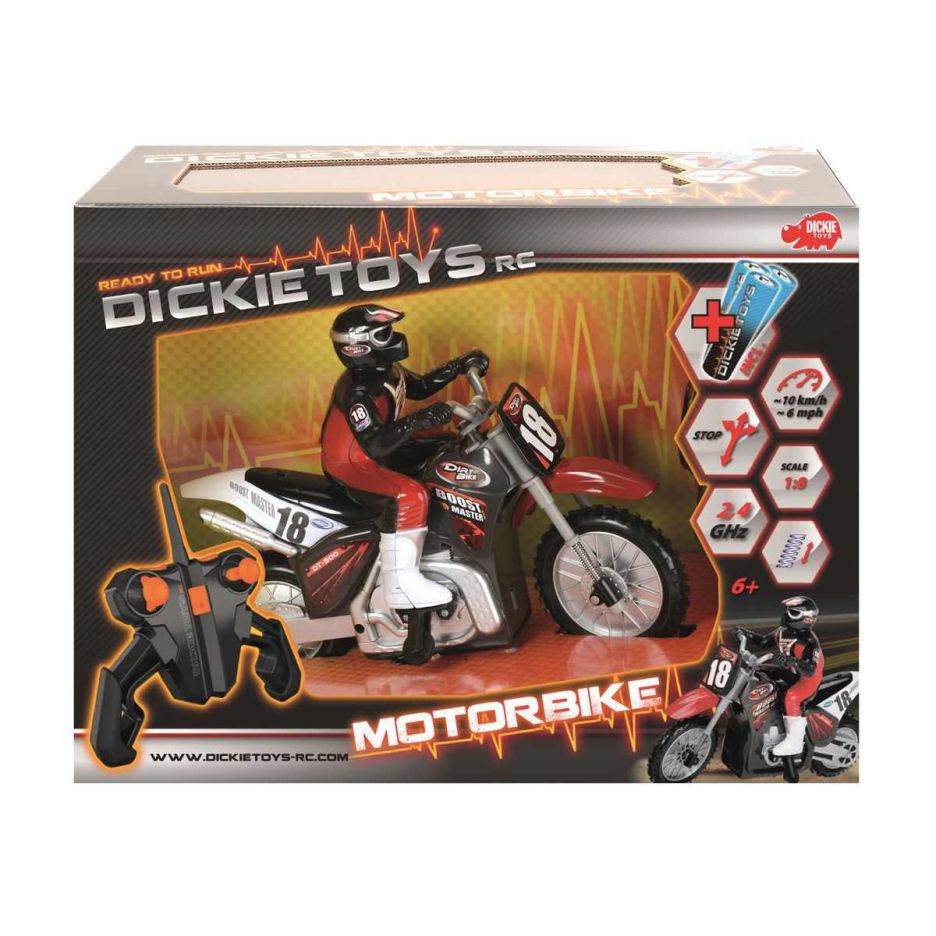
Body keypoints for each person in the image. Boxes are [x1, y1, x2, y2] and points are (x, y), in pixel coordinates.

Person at [321, 303, 489, 610]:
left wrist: (459, 365)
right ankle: (401, 585)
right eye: (384, 334)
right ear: (357, 348)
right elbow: (375, 444)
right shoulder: (357, 393)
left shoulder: (387, 371)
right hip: (352, 465)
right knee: (409, 496)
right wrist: (418, 420)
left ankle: (443, 539)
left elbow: (421, 387)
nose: (395, 338)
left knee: (448, 446)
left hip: (376, 453)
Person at [739, 596, 824, 756]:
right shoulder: (782, 632)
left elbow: (810, 669)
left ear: (807, 618)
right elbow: (763, 642)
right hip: (791, 672)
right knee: (760, 671)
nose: (786, 615)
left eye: (793, 612)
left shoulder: (809, 641)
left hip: (808, 680)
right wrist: (745, 633)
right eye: (788, 611)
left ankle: (795, 742)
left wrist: (792, 660)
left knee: (791, 697)